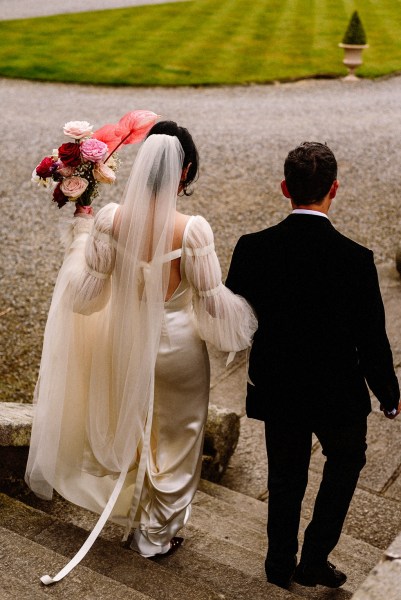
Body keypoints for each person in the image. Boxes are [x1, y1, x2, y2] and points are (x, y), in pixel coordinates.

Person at [25, 121, 257, 582]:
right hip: (177, 350)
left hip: (124, 343)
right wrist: (249, 318)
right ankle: (155, 534)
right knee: (178, 438)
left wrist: (80, 245)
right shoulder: (193, 231)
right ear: (184, 171)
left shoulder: (111, 220)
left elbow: (87, 297)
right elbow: (212, 304)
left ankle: (135, 515)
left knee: (134, 427)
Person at [225, 142, 400, 590]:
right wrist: (389, 394)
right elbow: (372, 335)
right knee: (346, 461)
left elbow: (236, 320)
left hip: (278, 385)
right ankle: (316, 556)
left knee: (286, 476)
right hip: (336, 390)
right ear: (334, 189)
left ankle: (279, 561)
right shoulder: (356, 260)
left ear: (285, 187)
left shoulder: (252, 249)